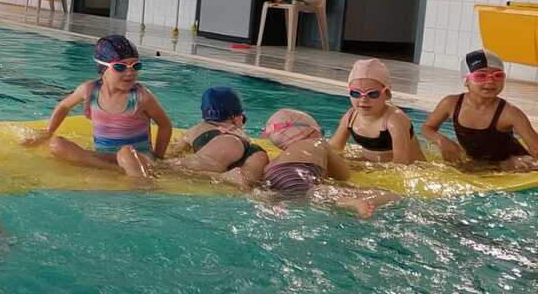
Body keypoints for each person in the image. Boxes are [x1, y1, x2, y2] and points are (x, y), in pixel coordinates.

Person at [23, 35, 172, 179]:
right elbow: (63, 106)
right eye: (120, 67)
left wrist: (158, 158)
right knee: (56, 144)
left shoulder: (141, 97)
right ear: (103, 69)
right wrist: (48, 132)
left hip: (138, 158)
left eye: (135, 66)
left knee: (125, 153)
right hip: (104, 156)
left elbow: (165, 125)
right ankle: (114, 170)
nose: (130, 72)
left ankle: (136, 178)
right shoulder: (89, 90)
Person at [256, 109, 400, 218]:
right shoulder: (318, 142)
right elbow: (343, 175)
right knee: (391, 196)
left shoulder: (280, 158)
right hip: (300, 182)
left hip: (271, 179)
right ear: (312, 131)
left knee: (290, 195)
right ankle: (348, 202)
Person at [422, 49, 538, 170]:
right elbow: (427, 127)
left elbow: (536, 148)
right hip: (480, 164)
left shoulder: (510, 113)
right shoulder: (451, 103)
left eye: (498, 75)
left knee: (521, 164)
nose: (490, 81)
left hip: (511, 165)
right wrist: (441, 140)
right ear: (466, 80)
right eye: (481, 76)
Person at [169, 86, 269, 185]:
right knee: (250, 182)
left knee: (171, 166)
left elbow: (176, 152)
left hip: (227, 143)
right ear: (237, 117)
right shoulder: (238, 132)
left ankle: (226, 177)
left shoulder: (196, 129)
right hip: (256, 153)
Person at [331, 58, 422, 164]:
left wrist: (359, 166)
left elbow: (401, 163)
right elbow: (334, 148)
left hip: (415, 170)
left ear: (387, 94)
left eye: (372, 94)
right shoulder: (351, 117)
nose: (363, 99)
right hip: (375, 166)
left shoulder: (394, 120)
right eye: (356, 93)